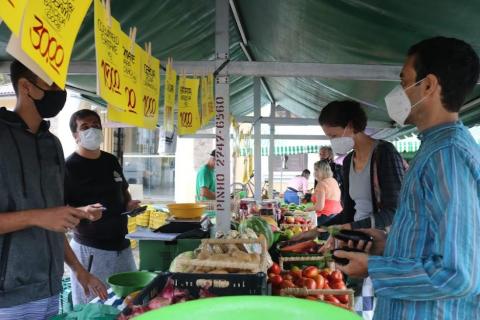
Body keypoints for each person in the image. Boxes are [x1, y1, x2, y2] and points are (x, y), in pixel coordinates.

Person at [336, 37, 480, 320]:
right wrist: (390, 245)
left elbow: (457, 275)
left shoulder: (447, 156)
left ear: (428, 85)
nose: (399, 92)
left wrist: (373, 268)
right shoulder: (434, 148)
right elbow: (438, 242)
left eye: (404, 82)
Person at [0, 60, 107, 320]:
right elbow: (45, 217)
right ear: (26, 86)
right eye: (52, 83)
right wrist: (37, 216)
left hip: (49, 291)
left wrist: (79, 270)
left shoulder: (53, 144)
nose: (59, 91)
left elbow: (54, 221)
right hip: (7, 298)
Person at [65, 109, 140, 304]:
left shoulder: (111, 161)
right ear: (75, 135)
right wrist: (83, 213)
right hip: (91, 251)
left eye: (96, 125)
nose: (92, 130)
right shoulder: (68, 167)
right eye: (85, 127)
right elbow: (60, 211)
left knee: (129, 304)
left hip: (122, 247)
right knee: (94, 309)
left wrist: (129, 204)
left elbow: (122, 191)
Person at [307, 160, 342, 225]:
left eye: (317, 170)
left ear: (323, 170)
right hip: (337, 215)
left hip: (325, 217)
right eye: (315, 170)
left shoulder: (321, 184)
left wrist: (306, 210)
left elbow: (319, 207)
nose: (314, 173)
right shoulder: (334, 181)